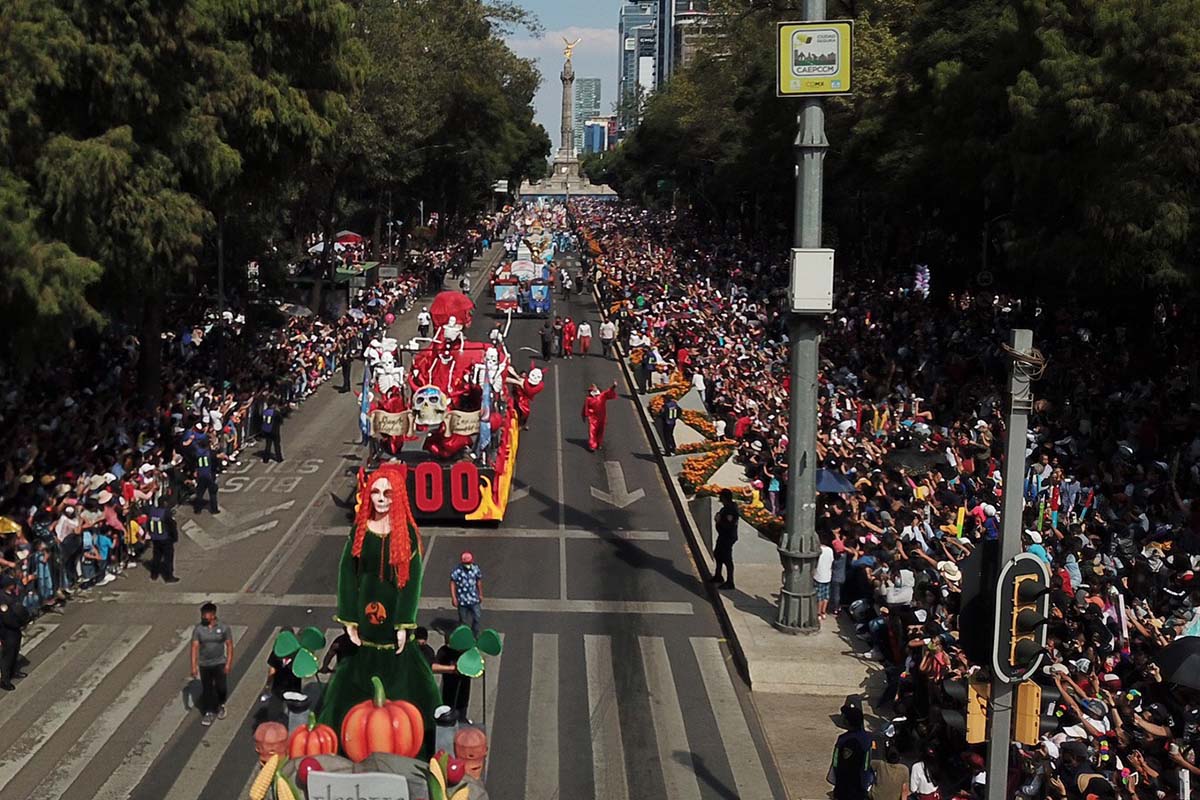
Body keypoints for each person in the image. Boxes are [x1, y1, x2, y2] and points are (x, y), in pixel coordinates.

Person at [317, 464, 441, 735]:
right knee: (358, 669)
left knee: (403, 675)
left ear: (397, 496)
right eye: (375, 492)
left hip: (393, 615)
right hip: (365, 613)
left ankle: (406, 729)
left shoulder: (406, 534)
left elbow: (411, 584)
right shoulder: (360, 531)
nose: (381, 498)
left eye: (387, 492)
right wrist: (348, 616)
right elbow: (347, 573)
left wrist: (403, 622)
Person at [190, 601, 234, 726]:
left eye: (206, 614)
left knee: (221, 687)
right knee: (207, 688)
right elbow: (194, 647)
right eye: (203, 614)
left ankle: (221, 704)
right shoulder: (198, 629)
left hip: (219, 662)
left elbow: (229, 645)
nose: (203, 616)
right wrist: (194, 666)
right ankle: (208, 711)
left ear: (213, 614)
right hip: (204, 664)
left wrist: (228, 663)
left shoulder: (224, 628)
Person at [827, 701, 874, 800]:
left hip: (843, 785)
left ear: (847, 722)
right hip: (859, 787)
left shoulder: (842, 739)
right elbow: (866, 765)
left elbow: (835, 762)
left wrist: (836, 780)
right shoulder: (867, 739)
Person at [0, 581, 30, 690]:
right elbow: (7, 617)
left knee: (15, 651)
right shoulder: (2, 598)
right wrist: (18, 624)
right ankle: (5, 680)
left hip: (15, 628)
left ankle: (13, 672)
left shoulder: (10, 594)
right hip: (7, 630)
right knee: (8, 655)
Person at [710, 489, 739, 589]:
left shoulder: (730, 509)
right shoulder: (726, 508)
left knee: (727, 558)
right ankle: (718, 575)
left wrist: (719, 521)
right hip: (722, 535)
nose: (720, 499)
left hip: (728, 536)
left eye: (721, 497)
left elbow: (729, 524)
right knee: (718, 554)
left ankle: (730, 581)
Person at [449, 552, 483, 636]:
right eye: (466, 563)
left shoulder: (475, 569)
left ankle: (475, 635)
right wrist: (454, 597)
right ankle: (464, 636)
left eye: (469, 563)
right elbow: (452, 583)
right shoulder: (457, 570)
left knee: (477, 618)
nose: (467, 565)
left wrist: (480, 594)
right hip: (462, 600)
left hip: (474, 599)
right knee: (463, 621)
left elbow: (478, 581)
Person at [146, 503, 179, 583]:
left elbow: (148, 524)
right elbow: (172, 526)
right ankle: (168, 577)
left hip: (155, 538)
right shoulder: (166, 513)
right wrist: (175, 537)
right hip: (165, 539)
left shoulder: (152, 512)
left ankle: (154, 574)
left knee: (156, 556)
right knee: (168, 558)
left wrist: (151, 534)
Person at [581, 381, 619, 451]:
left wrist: (613, 386)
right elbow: (585, 408)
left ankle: (598, 443)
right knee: (592, 431)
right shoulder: (588, 399)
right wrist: (585, 415)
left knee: (601, 431)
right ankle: (592, 445)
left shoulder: (602, 396)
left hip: (602, 417)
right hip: (593, 418)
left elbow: (609, 391)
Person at [192, 443, 220, 514]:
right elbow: (216, 463)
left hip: (201, 475)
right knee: (212, 493)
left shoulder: (196, 453)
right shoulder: (210, 453)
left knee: (200, 493)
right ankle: (214, 509)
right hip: (209, 475)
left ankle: (198, 510)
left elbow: (194, 462)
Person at [815, 533, 834, 621]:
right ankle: (823, 612)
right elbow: (832, 561)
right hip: (828, 575)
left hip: (818, 575)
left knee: (819, 597)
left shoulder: (818, 550)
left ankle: (818, 613)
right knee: (826, 596)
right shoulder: (830, 550)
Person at [260, 397, 283, 463]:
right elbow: (280, 420)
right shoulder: (275, 412)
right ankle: (279, 458)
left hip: (266, 430)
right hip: (275, 430)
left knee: (268, 444)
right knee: (277, 445)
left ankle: (266, 459)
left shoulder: (265, 412)